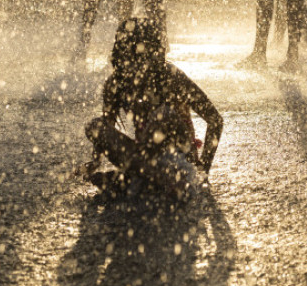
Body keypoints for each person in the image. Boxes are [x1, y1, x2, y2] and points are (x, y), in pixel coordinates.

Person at [79, 18, 224, 197]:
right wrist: (95, 162)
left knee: (163, 115)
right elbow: (107, 127)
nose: (133, 59)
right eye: (127, 51)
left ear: (152, 51)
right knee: (95, 127)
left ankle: (135, 180)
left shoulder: (171, 76)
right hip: (142, 160)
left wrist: (203, 170)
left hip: (178, 158)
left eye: (137, 51)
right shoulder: (115, 83)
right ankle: (147, 179)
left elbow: (215, 120)